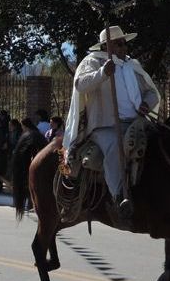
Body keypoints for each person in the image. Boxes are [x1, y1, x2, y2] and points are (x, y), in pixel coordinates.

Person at [62, 26, 160, 219]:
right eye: (119, 43)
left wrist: (146, 104)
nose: (124, 47)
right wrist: (102, 73)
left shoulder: (133, 66)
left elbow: (152, 92)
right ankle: (119, 197)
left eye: (124, 43)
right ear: (107, 46)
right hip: (106, 125)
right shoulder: (93, 61)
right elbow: (80, 85)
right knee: (116, 147)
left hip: (136, 122)